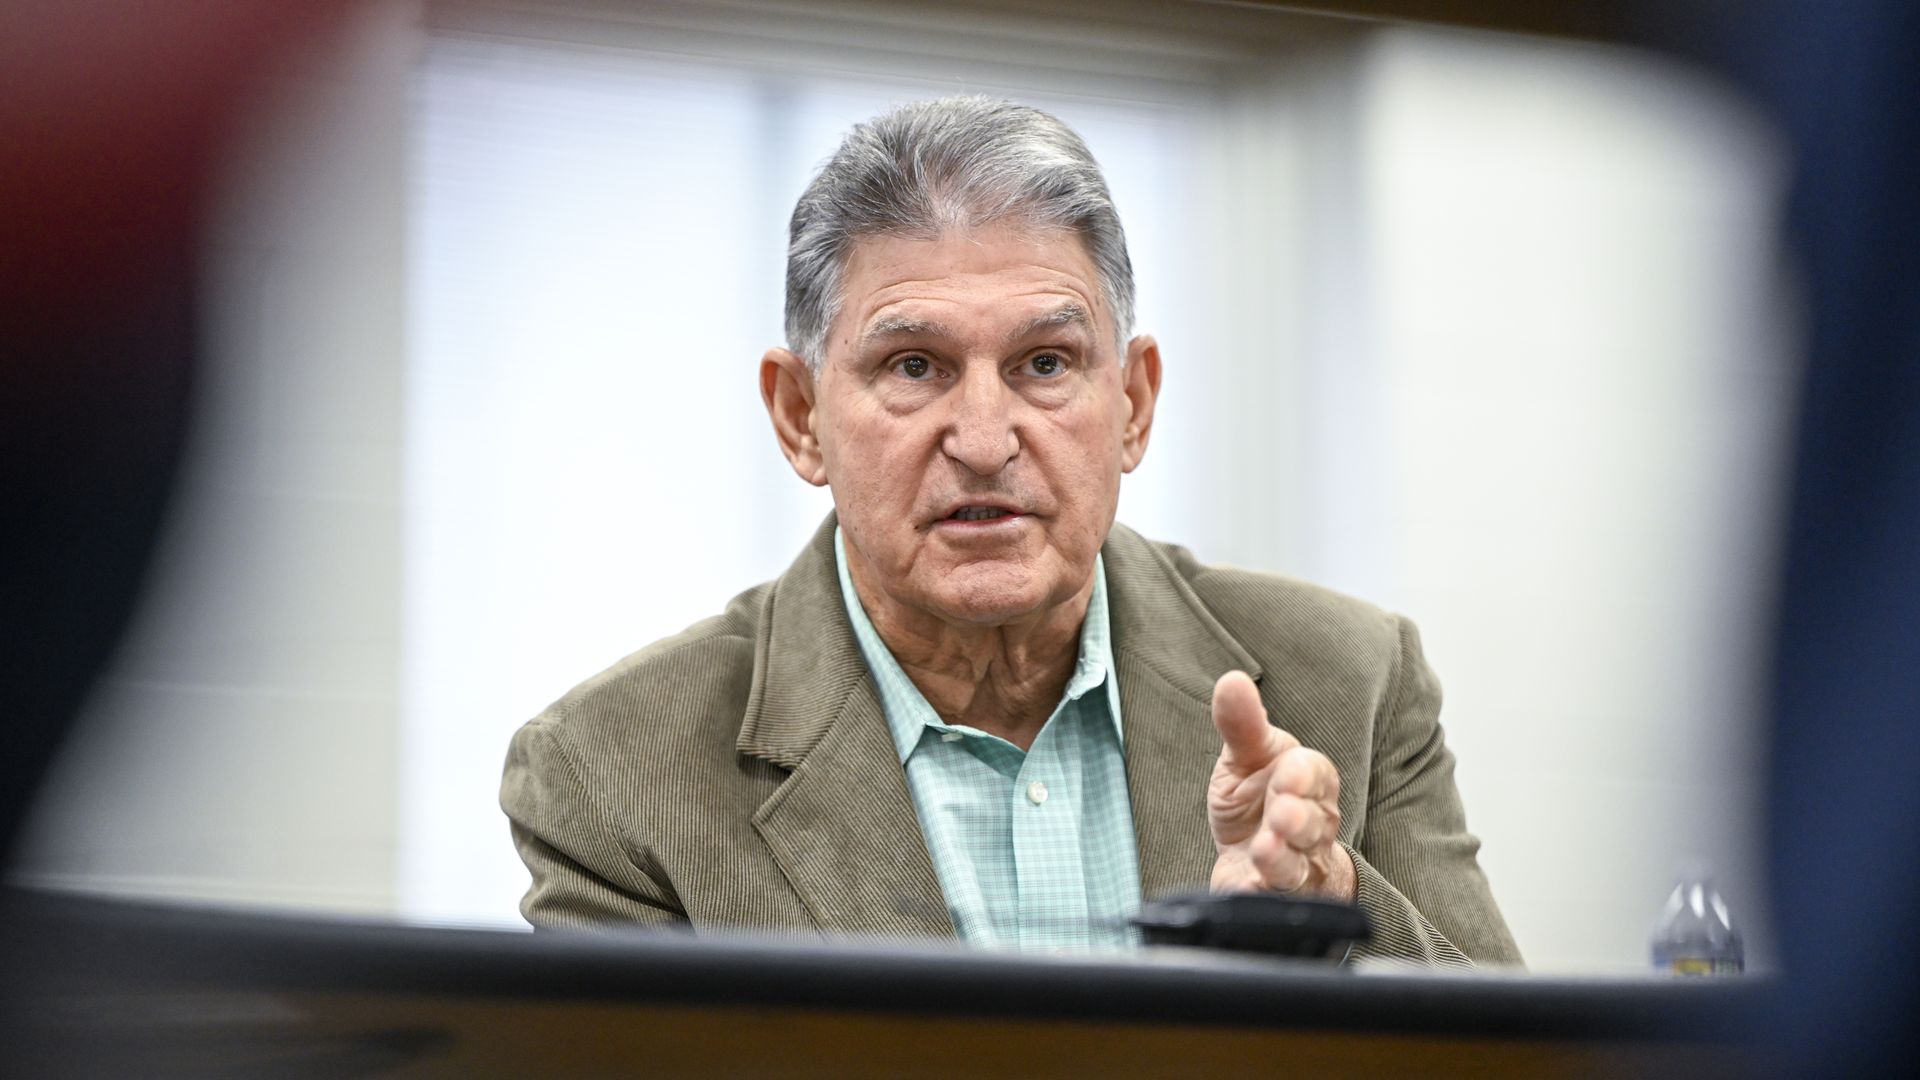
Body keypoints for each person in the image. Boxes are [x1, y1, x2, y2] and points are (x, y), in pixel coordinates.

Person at [501, 96, 1519, 965]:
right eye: (914, 367)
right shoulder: (613, 776)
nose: (985, 441)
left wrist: (1330, 905)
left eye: (1044, 362)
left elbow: (1510, 1066)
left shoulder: (1353, 678)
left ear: (1134, 403)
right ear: (800, 416)